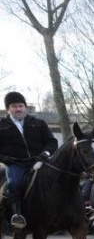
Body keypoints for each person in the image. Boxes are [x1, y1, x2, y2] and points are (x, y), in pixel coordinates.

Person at [0, 91, 59, 228]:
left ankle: (80, 212)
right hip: (16, 164)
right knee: (14, 184)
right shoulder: (1, 125)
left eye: (21, 106)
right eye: (14, 106)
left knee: (61, 178)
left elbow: (52, 141)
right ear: (9, 108)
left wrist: (45, 153)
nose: (18, 109)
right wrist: (5, 159)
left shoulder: (39, 123)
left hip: (39, 161)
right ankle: (17, 215)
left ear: (25, 107)